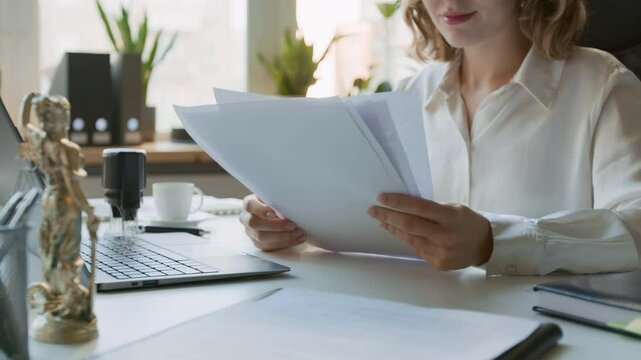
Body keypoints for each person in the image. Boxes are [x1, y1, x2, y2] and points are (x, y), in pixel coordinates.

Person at [240, 0, 641, 275]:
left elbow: (635, 227)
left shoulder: (602, 86)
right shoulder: (412, 93)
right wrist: (285, 220)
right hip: (424, 326)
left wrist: (493, 241)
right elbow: (367, 222)